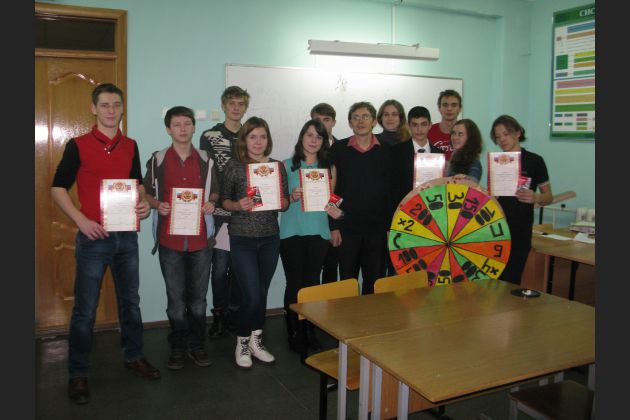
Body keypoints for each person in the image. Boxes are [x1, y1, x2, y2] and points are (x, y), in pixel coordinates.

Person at [51, 83, 159, 405]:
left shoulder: (131, 145)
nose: (111, 111)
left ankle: (134, 356)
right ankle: (78, 372)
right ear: (93, 109)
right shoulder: (78, 145)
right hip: (93, 238)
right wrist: (81, 220)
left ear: (122, 108)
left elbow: (137, 184)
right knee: (85, 310)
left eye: (116, 105)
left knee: (131, 303)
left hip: (126, 236)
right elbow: (57, 188)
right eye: (105, 105)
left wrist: (143, 203)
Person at [143, 106, 220, 371]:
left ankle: (197, 345)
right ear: (168, 129)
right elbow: (146, 193)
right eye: (177, 124)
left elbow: (215, 191)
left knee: (198, 300)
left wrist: (211, 203)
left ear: (194, 127)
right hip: (170, 241)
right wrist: (157, 205)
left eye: (187, 123)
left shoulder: (207, 159)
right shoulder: (157, 159)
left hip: (200, 240)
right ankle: (177, 346)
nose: (183, 129)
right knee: (175, 300)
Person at [220, 116, 289, 369]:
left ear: (267, 139)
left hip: (270, 238)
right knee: (251, 294)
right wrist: (237, 205)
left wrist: (281, 201)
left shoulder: (276, 167)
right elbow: (224, 201)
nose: (258, 142)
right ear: (244, 140)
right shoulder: (234, 166)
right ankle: (242, 342)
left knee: (261, 293)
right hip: (242, 239)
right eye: (253, 137)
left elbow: (284, 202)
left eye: (263, 136)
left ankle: (256, 341)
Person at [279, 119, 339, 352]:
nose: (314, 140)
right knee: (294, 283)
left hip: (319, 232)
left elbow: (333, 200)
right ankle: (294, 332)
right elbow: (279, 202)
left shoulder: (329, 168)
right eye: (310, 135)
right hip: (291, 233)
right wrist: (291, 197)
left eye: (319, 137)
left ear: (324, 141)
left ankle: (309, 331)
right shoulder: (286, 166)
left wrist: (338, 212)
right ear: (301, 137)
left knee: (312, 285)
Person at [199, 86, 250, 338]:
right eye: (232, 103)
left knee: (241, 269)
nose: (236, 108)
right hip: (219, 214)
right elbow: (206, 174)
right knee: (219, 269)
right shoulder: (209, 136)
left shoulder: (251, 134)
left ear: (245, 107)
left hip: (245, 214)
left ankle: (234, 314)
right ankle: (219, 316)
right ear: (223, 105)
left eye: (241, 104)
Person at [329, 102, 391, 295]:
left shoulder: (387, 150)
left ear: (374, 122)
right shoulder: (338, 149)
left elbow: (391, 192)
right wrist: (334, 226)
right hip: (347, 228)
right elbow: (332, 190)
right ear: (350, 123)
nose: (360, 121)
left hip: (377, 229)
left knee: (374, 283)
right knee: (347, 283)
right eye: (355, 117)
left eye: (365, 117)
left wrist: (390, 228)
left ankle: (370, 317)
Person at [490, 115, 552, 285]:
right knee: (493, 281)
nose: (502, 140)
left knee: (511, 280)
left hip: (520, 231)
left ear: (518, 133)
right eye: (498, 136)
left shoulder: (535, 161)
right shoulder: (495, 162)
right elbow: (491, 198)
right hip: (496, 229)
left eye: (506, 134)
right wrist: (492, 197)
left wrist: (536, 197)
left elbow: (549, 196)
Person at [388, 106, 443, 226]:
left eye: (423, 124)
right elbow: (391, 188)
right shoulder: (396, 152)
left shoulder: (439, 154)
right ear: (408, 126)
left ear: (430, 125)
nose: (419, 129)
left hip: (433, 213)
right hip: (404, 213)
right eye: (415, 125)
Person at [310, 103, 340, 284]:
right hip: (312, 221)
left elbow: (343, 188)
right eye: (317, 120)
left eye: (326, 120)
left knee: (331, 267)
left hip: (335, 219)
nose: (321, 124)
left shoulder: (343, 148)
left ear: (334, 122)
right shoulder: (304, 149)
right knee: (311, 272)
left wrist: (334, 224)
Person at [428, 89, 462, 160]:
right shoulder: (428, 131)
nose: (449, 109)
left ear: (460, 108)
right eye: (445, 105)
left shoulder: (466, 132)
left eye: (454, 105)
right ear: (439, 108)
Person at [446, 118, 483, 183]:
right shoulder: (453, 158)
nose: (455, 137)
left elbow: (473, 182)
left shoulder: (474, 161)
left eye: (460, 134)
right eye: (453, 133)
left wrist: (466, 178)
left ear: (470, 137)